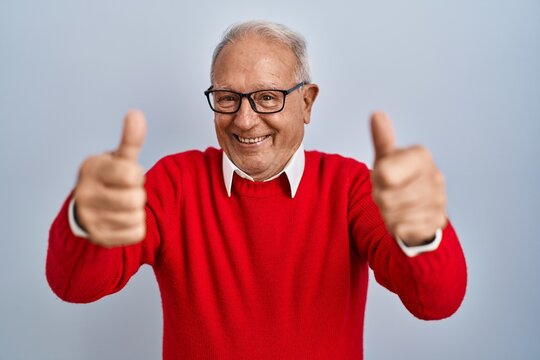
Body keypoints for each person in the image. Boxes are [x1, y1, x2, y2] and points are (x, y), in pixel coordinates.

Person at [46, 20, 467, 359]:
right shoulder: (173, 183)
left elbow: (437, 301)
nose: (245, 120)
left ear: (307, 103)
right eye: (227, 98)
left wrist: (422, 235)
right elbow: (76, 285)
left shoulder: (350, 187)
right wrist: (85, 219)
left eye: (268, 97)